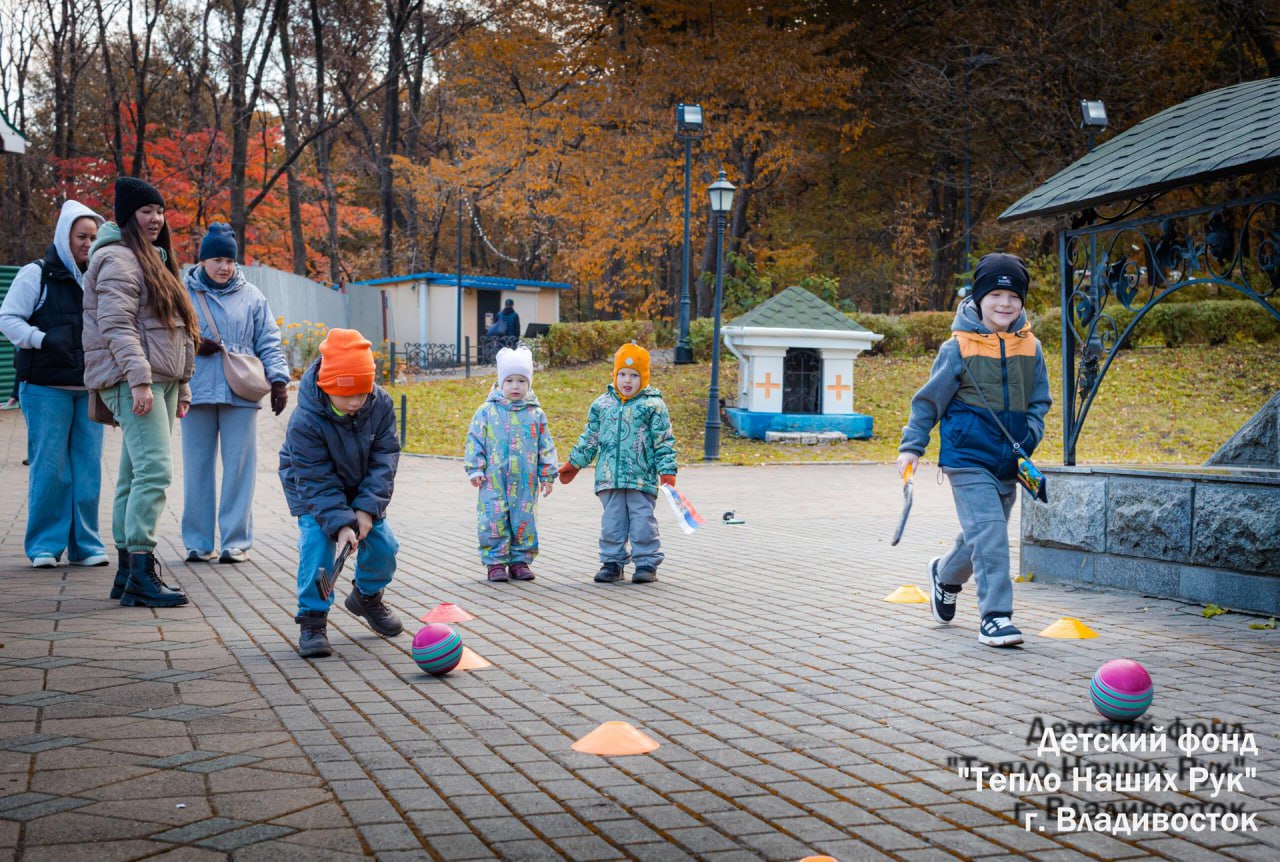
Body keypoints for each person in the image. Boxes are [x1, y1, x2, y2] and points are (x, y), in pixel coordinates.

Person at [897, 252, 1052, 648]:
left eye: (1013, 296)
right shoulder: (958, 347)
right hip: (967, 458)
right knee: (991, 535)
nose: (1005, 303)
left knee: (982, 535)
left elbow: (1040, 400)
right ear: (979, 298)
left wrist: (1031, 434)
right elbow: (928, 402)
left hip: (1009, 460)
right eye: (995, 294)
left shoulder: (1031, 347)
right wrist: (912, 446)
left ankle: (944, 575)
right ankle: (996, 617)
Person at [83, 177, 197, 608]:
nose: (156, 218)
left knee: (134, 475)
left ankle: (126, 574)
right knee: (155, 472)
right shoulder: (116, 258)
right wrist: (140, 380)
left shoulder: (153, 258)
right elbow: (116, 325)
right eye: (146, 210)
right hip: (134, 380)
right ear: (128, 215)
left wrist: (182, 383)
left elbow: (176, 327)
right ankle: (141, 572)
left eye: (160, 211)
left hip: (160, 379)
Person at [279, 328, 402, 658]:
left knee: (384, 545)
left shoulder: (380, 404)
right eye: (346, 395)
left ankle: (367, 595)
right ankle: (312, 619)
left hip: (362, 486)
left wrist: (366, 510)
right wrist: (341, 524)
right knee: (318, 544)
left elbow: (385, 459)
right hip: (312, 489)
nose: (355, 402)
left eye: (362, 392)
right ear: (326, 386)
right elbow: (315, 479)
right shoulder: (305, 420)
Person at [0, 200, 108, 568]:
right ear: (64, 236)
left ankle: (86, 546)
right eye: (81, 236)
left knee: (88, 468)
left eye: (93, 237)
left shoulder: (99, 277)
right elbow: (8, 318)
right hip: (45, 387)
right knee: (50, 468)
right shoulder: (36, 274)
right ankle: (45, 545)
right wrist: (42, 339)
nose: (88, 244)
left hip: (89, 388)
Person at [182, 223, 290, 564]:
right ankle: (198, 542)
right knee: (196, 469)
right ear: (202, 260)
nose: (224, 267)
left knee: (239, 469)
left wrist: (279, 381)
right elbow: (167, 334)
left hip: (240, 390)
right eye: (217, 259)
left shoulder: (252, 296)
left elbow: (268, 340)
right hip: (195, 389)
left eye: (229, 260)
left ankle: (236, 541)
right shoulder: (182, 293)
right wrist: (192, 343)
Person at [558, 342, 677, 584]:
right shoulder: (602, 405)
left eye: (634, 375)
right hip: (609, 477)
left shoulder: (653, 405)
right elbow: (590, 438)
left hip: (640, 477)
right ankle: (612, 563)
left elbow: (663, 441)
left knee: (642, 521)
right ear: (614, 375)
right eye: (622, 374)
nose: (627, 381)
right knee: (612, 522)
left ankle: (646, 563)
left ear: (644, 377)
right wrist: (574, 463)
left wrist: (667, 471)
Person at [464, 346, 558, 582]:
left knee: (524, 520)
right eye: (510, 381)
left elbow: (545, 446)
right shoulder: (487, 412)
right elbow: (475, 440)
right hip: (493, 480)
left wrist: (547, 475)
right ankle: (495, 562)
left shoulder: (535, 414)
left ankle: (520, 561)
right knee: (493, 521)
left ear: (529, 383)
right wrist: (475, 468)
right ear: (500, 382)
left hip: (525, 481)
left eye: (521, 381)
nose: (515, 386)